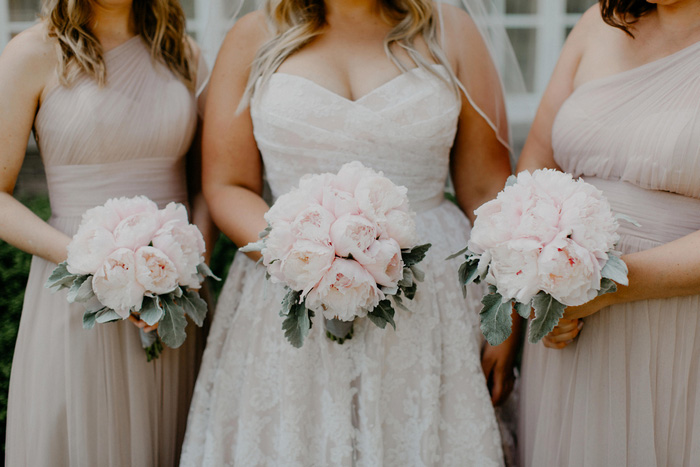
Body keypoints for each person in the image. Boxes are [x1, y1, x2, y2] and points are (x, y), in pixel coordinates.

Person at [181, 0, 522, 464]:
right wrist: (302, 261)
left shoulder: (452, 31)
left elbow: (485, 188)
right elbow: (227, 184)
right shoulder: (253, 35)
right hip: (287, 284)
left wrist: (506, 312)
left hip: (432, 296)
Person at [0, 0, 211, 463]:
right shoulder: (32, 53)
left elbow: (205, 186)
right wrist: (94, 264)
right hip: (75, 285)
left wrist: (191, 265)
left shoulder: (184, 53)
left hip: (173, 292)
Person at [516, 0, 700, 465]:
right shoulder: (598, 22)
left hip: (679, 328)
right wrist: (538, 284)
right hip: (571, 327)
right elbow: (536, 163)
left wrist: (608, 286)